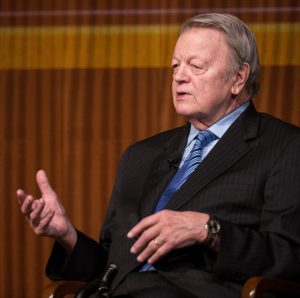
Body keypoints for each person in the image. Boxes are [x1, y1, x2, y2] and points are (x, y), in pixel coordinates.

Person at [17, 13, 300, 298]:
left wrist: (208, 230)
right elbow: (114, 268)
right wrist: (68, 236)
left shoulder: (284, 147)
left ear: (238, 77)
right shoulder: (140, 156)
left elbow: (290, 258)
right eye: (175, 65)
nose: (179, 76)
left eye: (196, 66)